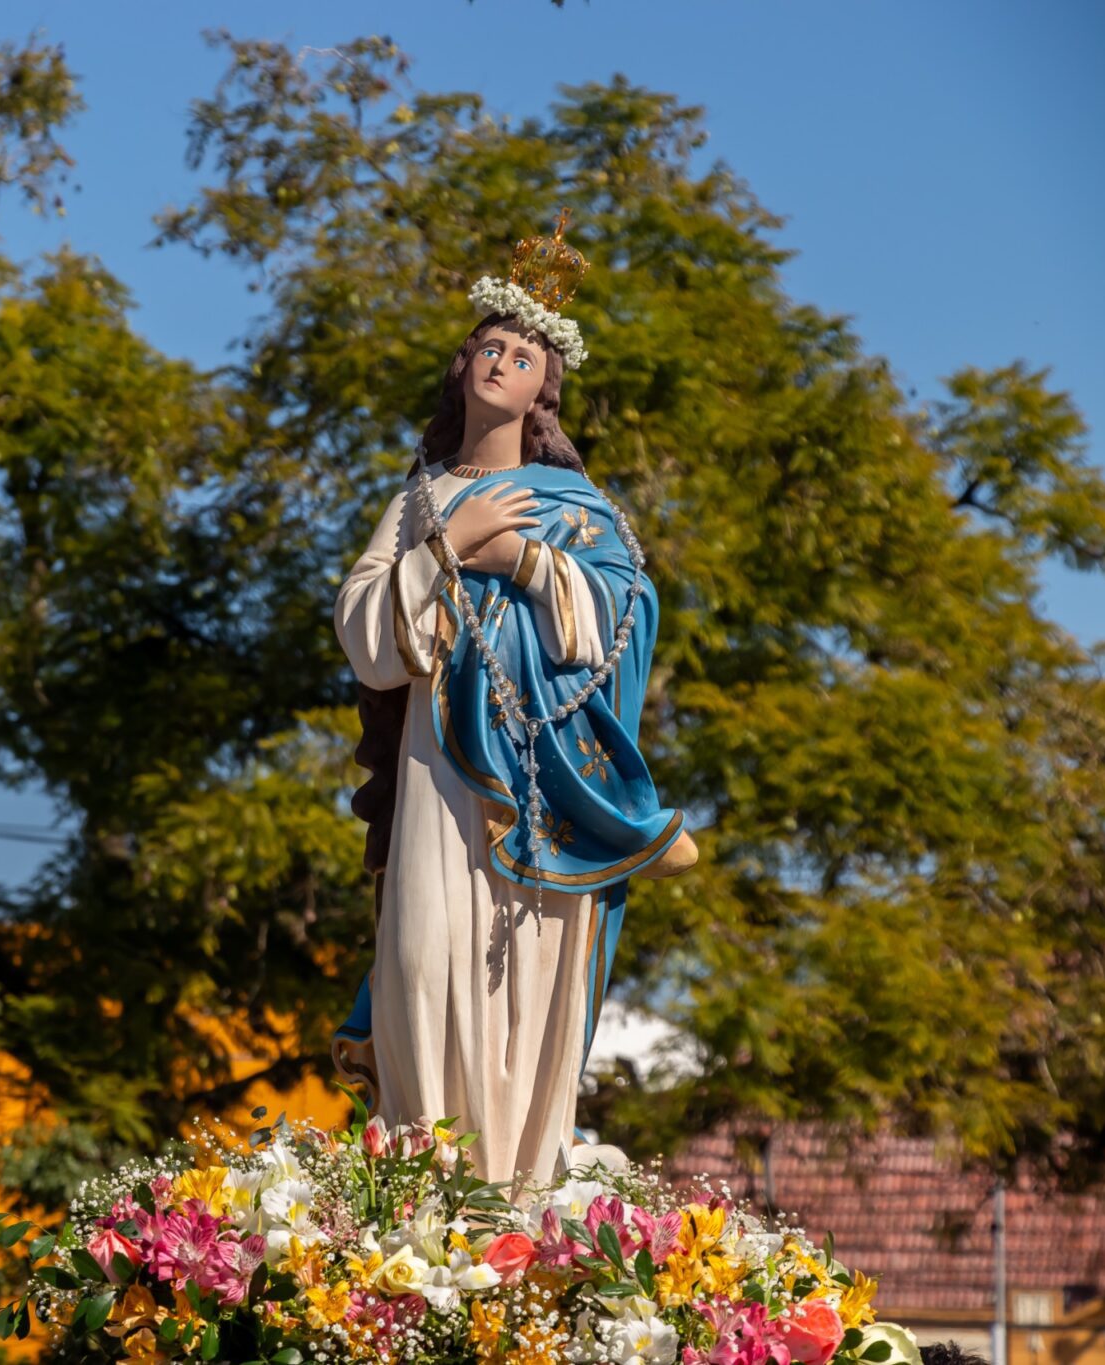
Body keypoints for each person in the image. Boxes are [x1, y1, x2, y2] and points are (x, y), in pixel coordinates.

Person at [329, 213, 697, 1186]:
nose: (500, 360)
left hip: (534, 784)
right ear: (463, 368)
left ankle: (516, 1185)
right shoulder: (416, 501)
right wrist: (450, 544)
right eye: (488, 345)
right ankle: (429, 1184)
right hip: (433, 782)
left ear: (545, 386)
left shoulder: (577, 507)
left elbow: (625, 614)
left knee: (522, 971)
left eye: (521, 352)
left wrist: (526, 558)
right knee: (417, 960)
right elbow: (364, 634)